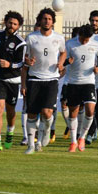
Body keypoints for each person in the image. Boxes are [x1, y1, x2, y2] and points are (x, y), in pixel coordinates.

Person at [21, 8, 66, 154]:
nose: (47, 21)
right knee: (32, 114)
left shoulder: (58, 38)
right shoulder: (31, 38)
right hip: (34, 79)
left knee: (47, 113)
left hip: (51, 79)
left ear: (53, 22)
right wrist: (29, 61)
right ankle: (32, 145)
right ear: (40, 20)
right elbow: (25, 59)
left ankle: (46, 132)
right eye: (44, 19)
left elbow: (64, 52)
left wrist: (60, 63)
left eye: (49, 19)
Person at [0, 11, 26, 152]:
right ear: (5, 22)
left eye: (15, 24)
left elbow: (21, 63)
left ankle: (10, 132)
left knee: (10, 110)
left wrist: (10, 65)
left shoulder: (20, 42)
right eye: (10, 23)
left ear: (18, 26)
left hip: (13, 80)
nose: (11, 26)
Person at [64, 24, 98, 152]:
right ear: (79, 35)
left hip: (89, 82)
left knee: (90, 110)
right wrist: (66, 62)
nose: (85, 41)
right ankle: (73, 142)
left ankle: (82, 137)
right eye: (83, 39)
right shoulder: (70, 44)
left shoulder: (95, 44)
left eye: (87, 39)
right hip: (73, 82)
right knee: (73, 113)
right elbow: (62, 60)